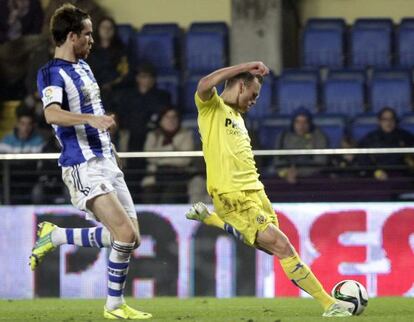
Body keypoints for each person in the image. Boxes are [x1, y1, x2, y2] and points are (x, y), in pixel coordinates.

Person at [185, 62, 351, 317]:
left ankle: (212, 219)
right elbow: (205, 84)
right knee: (283, 246)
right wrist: (247, 66)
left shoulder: (238, 119)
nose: (254, 101)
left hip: (256, 192)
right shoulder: (212, 108)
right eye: (253, 95)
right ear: (241, 85)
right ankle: (329, 305)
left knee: (270, 246)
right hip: (233, 195)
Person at [29, 4, 151, 320]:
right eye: (87, 34)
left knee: (131, 238)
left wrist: (112, 151)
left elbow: (95, 115)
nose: (91, 40)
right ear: (71, 36)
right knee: (123, 236)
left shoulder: (85, 67)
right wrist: (90, 120)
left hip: (105, 160)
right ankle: (114, 306)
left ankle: (56, 236)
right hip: (82, 165)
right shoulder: (50, 72)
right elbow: (51, 113)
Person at [141, 107, 194, 204]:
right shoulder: (153, 135)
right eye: (167, 117)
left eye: (174, 117)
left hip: (178, 176)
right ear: (161, 120)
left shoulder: (186, 134)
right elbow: (149, 156)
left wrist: (160, 158)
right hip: (155, 176)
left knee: (169, 197)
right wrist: (171, 150)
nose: (171, 120)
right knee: (149, 196)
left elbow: (185, 160)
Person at [272, 107, 329, 184]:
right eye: (298, 122)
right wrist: (286, 172)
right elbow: (277, 160)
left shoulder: (319, 136)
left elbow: (321, 162)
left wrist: (299, 172)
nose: (301, 126)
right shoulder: (283, 136)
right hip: (286, 174)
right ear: (293, 123)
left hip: (311, 177)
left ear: (310, 123)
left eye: (305, 122)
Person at [358, 107, 414, 180]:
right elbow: (363, 159)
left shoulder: (406, 137)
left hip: (403, 177)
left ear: (395, 121)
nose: (388, 122)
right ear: (379, 121)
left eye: (391, 119)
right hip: (376, 177)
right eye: (384, 119)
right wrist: (376, 172)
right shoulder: (370, 138)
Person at [87, 16, 129, 93]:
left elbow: (124, 72)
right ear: (98, 29)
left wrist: (111, 84)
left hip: (115, 89)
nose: (106, 30)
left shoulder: (121, 50)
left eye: (110, 28)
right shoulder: (89, 49)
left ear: (114, 31)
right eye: (103, 27)